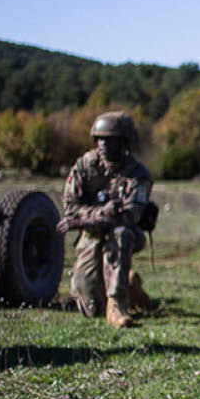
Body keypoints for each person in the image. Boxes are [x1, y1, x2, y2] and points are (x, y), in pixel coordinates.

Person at [58, 111, 153, 328]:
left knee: (120, 234)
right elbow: (71, 208)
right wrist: (100, 214)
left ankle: (118, 305)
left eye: (110, 140)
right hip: (90, 234)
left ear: (125, 142)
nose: (103, 145)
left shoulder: (139, 174)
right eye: (99, 139)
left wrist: (84, 220)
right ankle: (130, 286)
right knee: (91, 309)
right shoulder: (85, 166)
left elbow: (129, 216)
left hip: (126, 235)